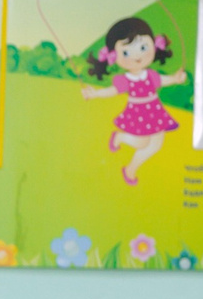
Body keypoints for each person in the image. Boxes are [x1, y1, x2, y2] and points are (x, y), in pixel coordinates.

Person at [80, 17, 186, 186]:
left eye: (143, 47)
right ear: (114, 56)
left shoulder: (150, 75)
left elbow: (163, 80)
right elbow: (112, 91)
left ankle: (130, 169)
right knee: (143, 142)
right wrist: (96, 94)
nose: (137, 56)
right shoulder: (126, 79)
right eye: (127, 52)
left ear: (154, 44)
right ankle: (121, 140)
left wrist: (175, 78)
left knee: (154, 145)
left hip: (155, 111)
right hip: (138, 113)